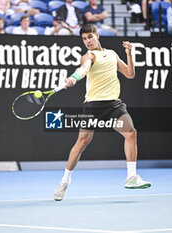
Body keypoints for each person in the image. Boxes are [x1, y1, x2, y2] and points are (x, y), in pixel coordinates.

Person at [53, 24, 151, 201]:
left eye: (90, 37)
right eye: (84, 39)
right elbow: (83, 69)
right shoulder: (89, 55)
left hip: (114, 105)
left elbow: (129, 74)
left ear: (97, 35)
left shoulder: (112, 54)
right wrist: (74, 78)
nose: (87, 41)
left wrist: (129, 55)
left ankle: (131, 177)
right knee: (82, 142)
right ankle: (65, 180)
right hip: (93, 107)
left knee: (131, 133)